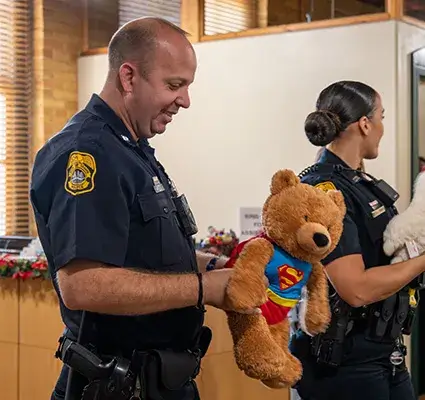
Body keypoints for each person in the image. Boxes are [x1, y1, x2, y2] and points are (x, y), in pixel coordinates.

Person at [30, 17, 260, 400]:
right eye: (174, 85)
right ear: (129, 77)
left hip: (160, 381)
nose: (185, 100)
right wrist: (206, 288)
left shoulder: (131, 150)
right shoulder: (88, 152)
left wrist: (218, 266)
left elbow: (149, 254)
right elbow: (82, 285)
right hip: (118, 385)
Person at [289, 80, 425, 400]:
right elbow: (357, 289)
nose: (382, 128)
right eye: (381, 117)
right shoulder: (322, 191)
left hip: (383, 352)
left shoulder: (364, 185)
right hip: (344, 364)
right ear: (365, 124)